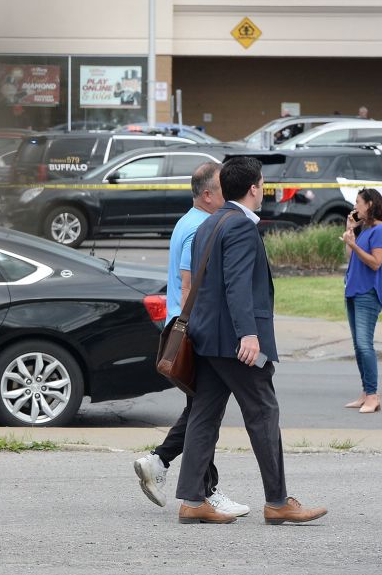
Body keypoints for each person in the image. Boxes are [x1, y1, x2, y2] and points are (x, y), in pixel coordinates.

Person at [174, 156, 327, 525]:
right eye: (262, 183)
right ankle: (277, 502)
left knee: (204, 415)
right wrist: (249, 334)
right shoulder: (240, 226)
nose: (263, 189)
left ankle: (193, 499)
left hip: (207, 338)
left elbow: (201, 283)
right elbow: (237, 284)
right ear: (254, 187)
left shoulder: (209, 222)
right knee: (264, 413)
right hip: (235, 343)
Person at [132, 161, 247, 517]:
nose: (230, 194)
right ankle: (203, 491)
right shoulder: (201, 228)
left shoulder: (190, 221)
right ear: (208, 195)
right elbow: (188, 284)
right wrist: (198, 332)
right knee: (204, 413)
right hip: (194, 331)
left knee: (200, 409)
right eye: (223, 189)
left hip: (186, 328)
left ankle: (161, 463)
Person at [342, 188, 382, 413]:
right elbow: (349, 257)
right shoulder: (365, 230)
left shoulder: (380, 230)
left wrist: (353, 245)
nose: (355, 207)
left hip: (368, 293)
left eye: (358, 203)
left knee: (365, 344)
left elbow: (375, 262)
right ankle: (366, 393)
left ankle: (373, 395)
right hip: (353, 291)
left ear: (370, 204)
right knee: (358, 346)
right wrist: (350, 233)